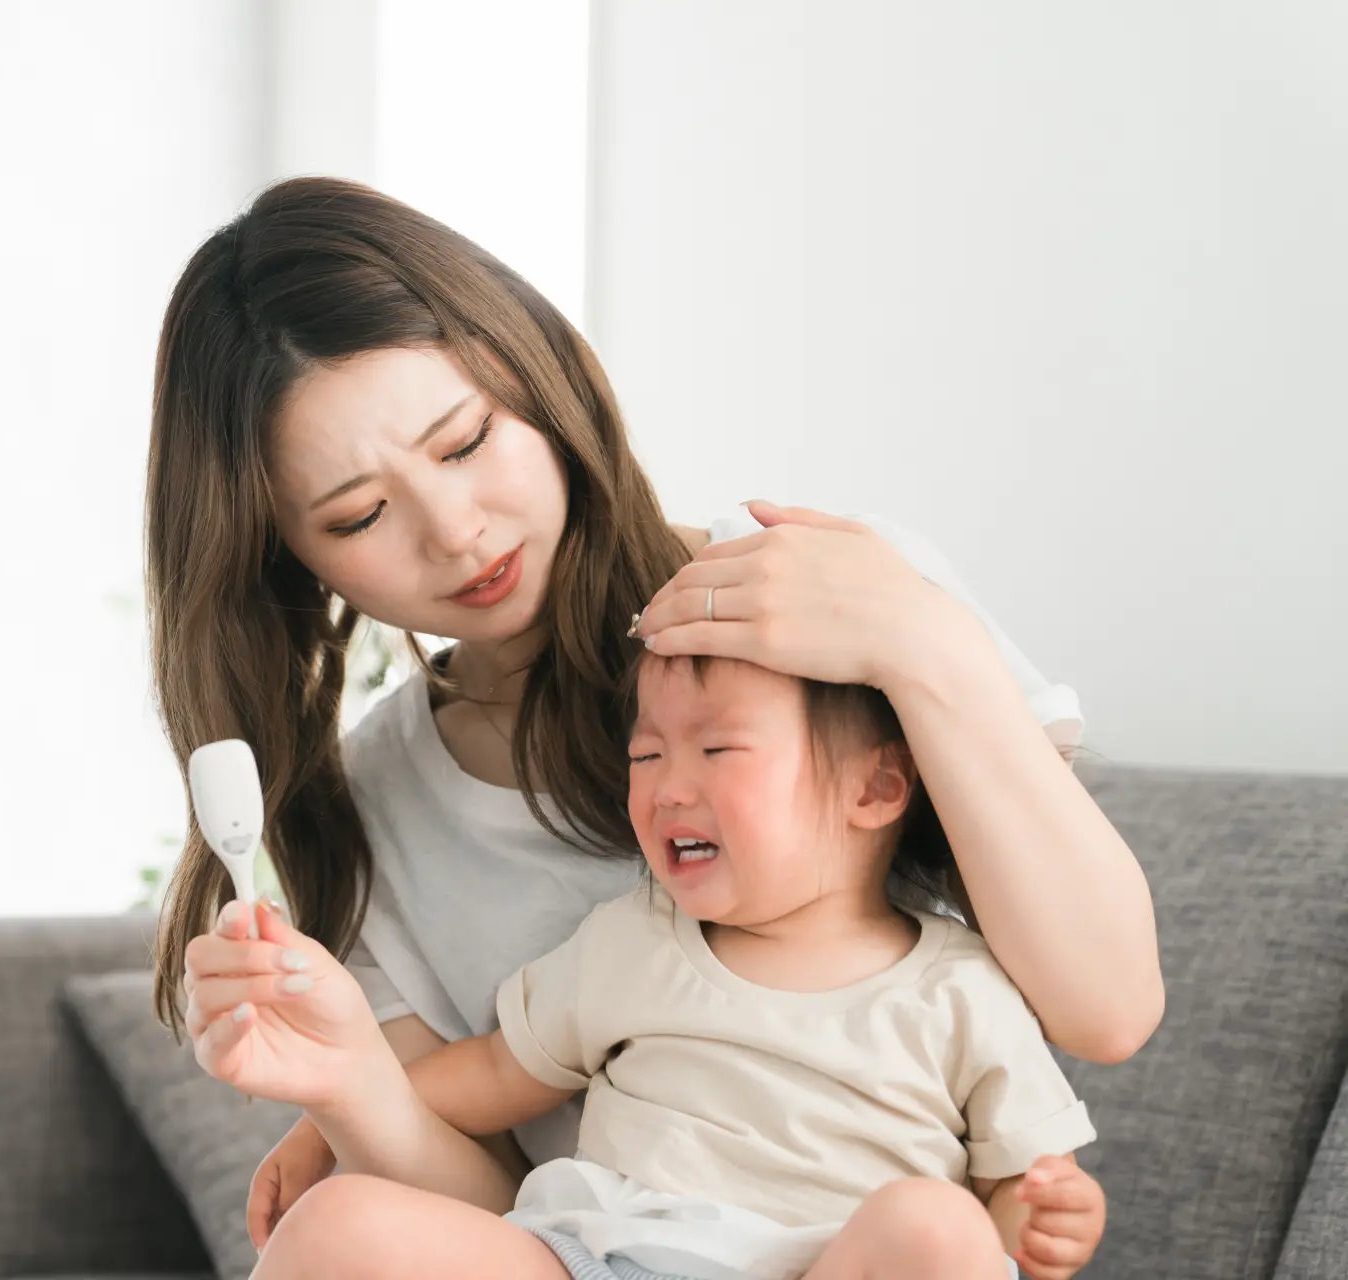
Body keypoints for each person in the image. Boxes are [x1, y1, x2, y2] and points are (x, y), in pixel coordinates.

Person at [151, 176, 1160, 1259]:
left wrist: (922, 644)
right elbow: (498, 1217)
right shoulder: (366, 809)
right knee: (337, 1224)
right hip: (619, 1247)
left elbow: (1107, 1007)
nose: (454, 530)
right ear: (289, 561)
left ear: (532, 372)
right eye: (359, 514)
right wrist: (353, 1087)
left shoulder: (830, 591)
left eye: (462, 442)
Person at [218, 649, 1110, 1280]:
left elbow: (1014, 1195)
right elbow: (494, 1071)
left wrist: (1046, 1225)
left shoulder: (961, 988)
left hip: (829, 1264)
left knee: (939, 1229)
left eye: (716, 749)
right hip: (600, 1259)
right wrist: (324, 1116)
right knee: (341, 1224)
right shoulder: (634, 940)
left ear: (874, 789)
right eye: (647, 754)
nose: (667, 784)